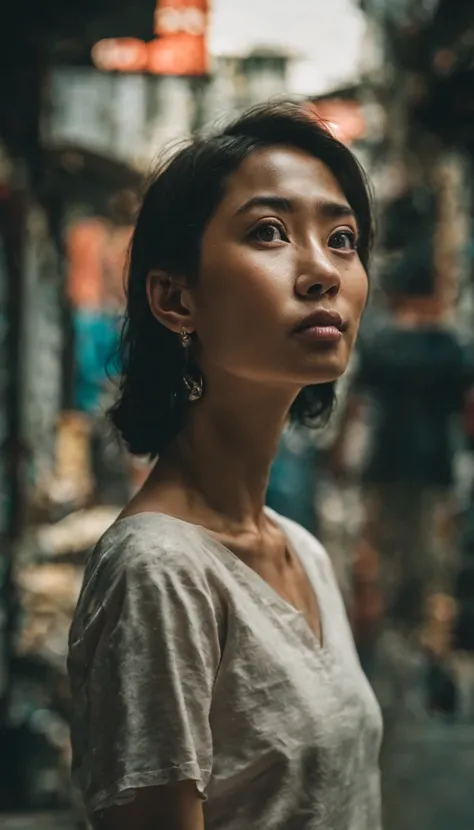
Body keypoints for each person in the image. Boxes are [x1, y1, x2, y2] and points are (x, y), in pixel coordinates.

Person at [67, 102, 382, 830]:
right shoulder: (159, 572)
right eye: (269, 232)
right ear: (176, 298)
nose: (321, 272)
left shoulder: (302, 550)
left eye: (343, 239)